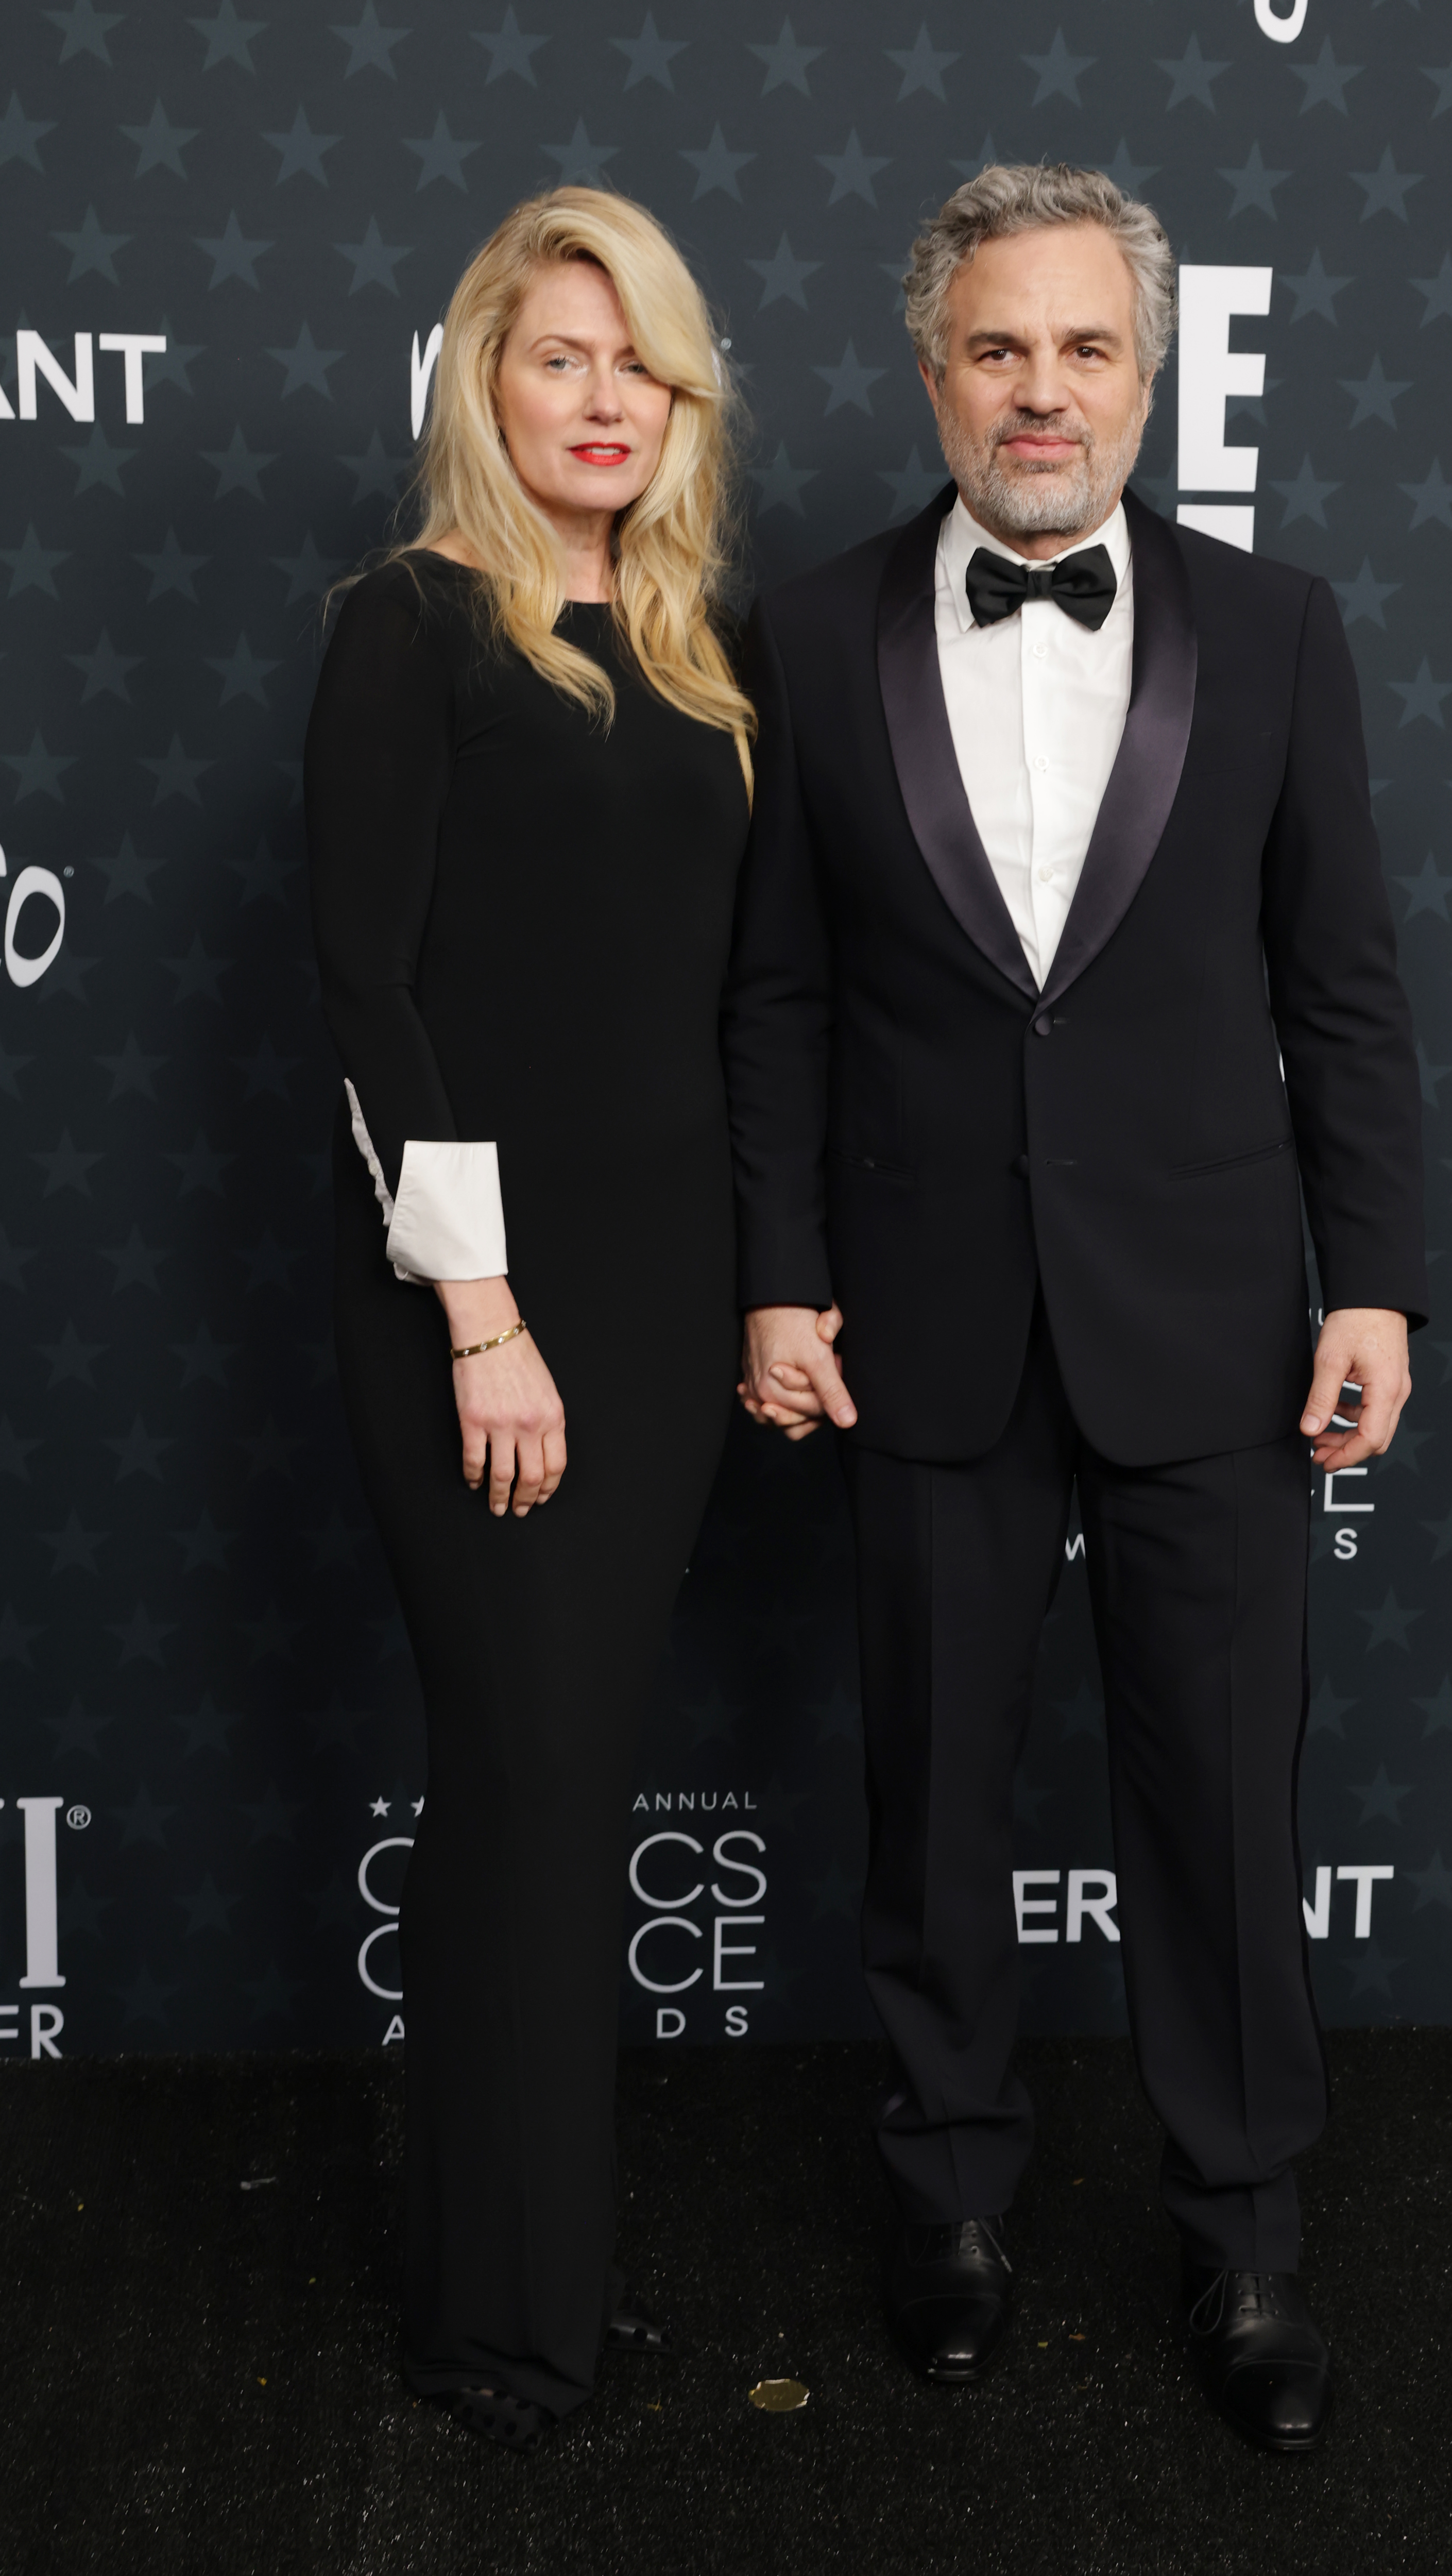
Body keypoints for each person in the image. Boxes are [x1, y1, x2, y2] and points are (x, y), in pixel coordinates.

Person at [723, 163, 1425, 2455]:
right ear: (933, 373)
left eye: (1086, 346)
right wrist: (781, 1270)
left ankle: (1243, 2237)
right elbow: (782, 1001)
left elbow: (1345, 995)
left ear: (1150, 372)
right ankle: (948, 2199)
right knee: (929, 1793)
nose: (1045, 390)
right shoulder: (812, 637)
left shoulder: (1282, 627)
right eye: (1000, 347)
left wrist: (1379, 1285)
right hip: (918, 1311)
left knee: (1220, 1803)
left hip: (1215, 1317)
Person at [304, 187, 754, 2453]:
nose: (604, 399)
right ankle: (497, 2330)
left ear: (682, 406)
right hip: (480, 1309)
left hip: (669, 1317)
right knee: (527, 1786)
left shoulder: (695, 653)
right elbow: (370, 988)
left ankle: (531, 2282)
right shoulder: (414, 623)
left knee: (557, 1798)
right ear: (485, 376)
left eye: (641, 365)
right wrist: (483, 1313)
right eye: (562, 356)